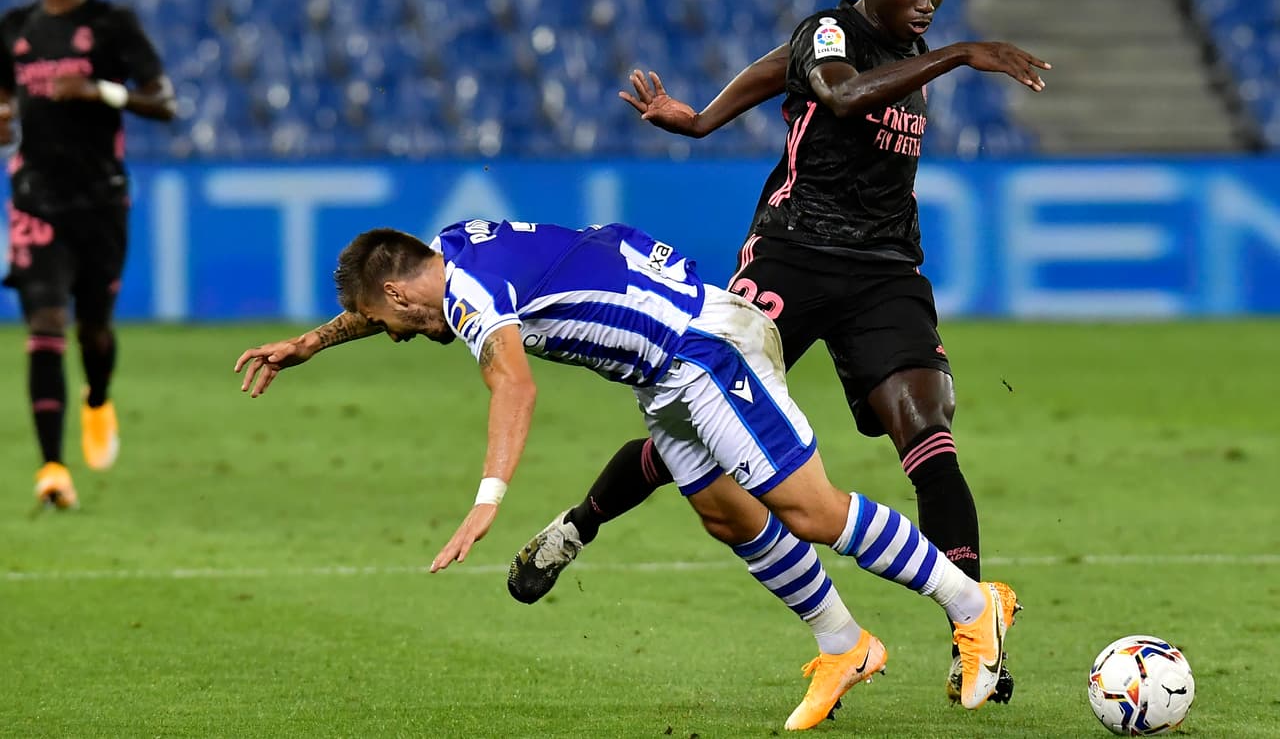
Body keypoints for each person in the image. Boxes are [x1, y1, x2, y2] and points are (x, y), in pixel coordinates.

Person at [506, 0, 1048, 704]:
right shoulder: (833, 32)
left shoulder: (907, 52)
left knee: (930, 428)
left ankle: (973, 637)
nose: (928, 0)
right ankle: (578, 523)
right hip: (791, 253)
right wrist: (964, 53)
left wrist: (700, 118)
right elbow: (826, 85)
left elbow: (773, 73)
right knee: (697, 423)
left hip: (886, 266)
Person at [234, 221, 1021, 728]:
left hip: (703, 350)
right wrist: (310, 343)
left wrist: (487, 500)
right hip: (663, 374)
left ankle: (970, 603)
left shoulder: (470, 297)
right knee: (727, 515)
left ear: (401, 291)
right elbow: (390, 300)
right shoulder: (453, 248)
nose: (395, 336)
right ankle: (845, 643)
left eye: (384, 322)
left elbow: (514, 383)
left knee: (809, 510)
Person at [0, 0, 177, 509]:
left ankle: (97, 398)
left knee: (93, 331)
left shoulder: (111, 26)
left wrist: (99, 89)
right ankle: (53, 468)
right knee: (44, 326)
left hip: (100, 202)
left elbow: (164, 102)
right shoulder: (14, 29)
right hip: (34, 201)